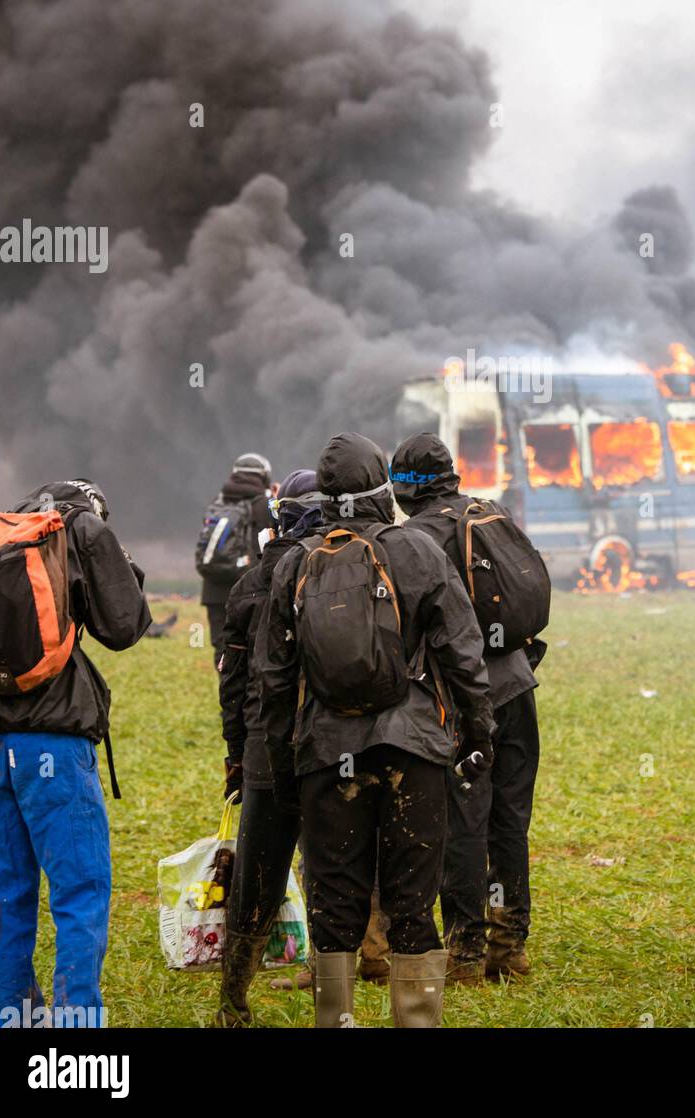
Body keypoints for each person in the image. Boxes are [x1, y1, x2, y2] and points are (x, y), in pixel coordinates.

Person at [260, 432, 495, 1028]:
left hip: (325, 758)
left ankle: (335, 1018)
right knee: (412, 903)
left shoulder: (294, 562)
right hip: (412, 752)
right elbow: (463, 652)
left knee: (334, 907)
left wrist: (282, 762)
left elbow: (273, 676)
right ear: (383, 490)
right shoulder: (415, 550)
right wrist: (477, 732)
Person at [0, 480, 151, 1028]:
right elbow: (125, 627)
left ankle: (13, 1016)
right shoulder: (74, 533)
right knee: (79, 888)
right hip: (52, 744)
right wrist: (107, 549)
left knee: (6, 889)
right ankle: (76, 1022)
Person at [390, 432, 543, 984]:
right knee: (510, 820)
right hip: (518, 686)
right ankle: (512, 944)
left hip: (461, 698)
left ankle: (466, 951)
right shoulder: (491, 512)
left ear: (406, 487)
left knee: (464, 822)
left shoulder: (415, 538)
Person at [214, 468, 320, 1027]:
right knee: (337, 867)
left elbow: (232, 683)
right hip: (337, 744)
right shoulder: (349, 565)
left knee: (258, 871)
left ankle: (233, 997)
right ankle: (339, 986)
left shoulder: (254, 581)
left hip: (265, 746)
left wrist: (236, 753)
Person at [197, 452, 273, 680]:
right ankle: (249, 711)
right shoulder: (265, 506)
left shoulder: (216, 503)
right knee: (252, 652)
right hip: (250, 592)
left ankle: (228, 706)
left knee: (224, 652)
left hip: (214, 593)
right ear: (264, 476)